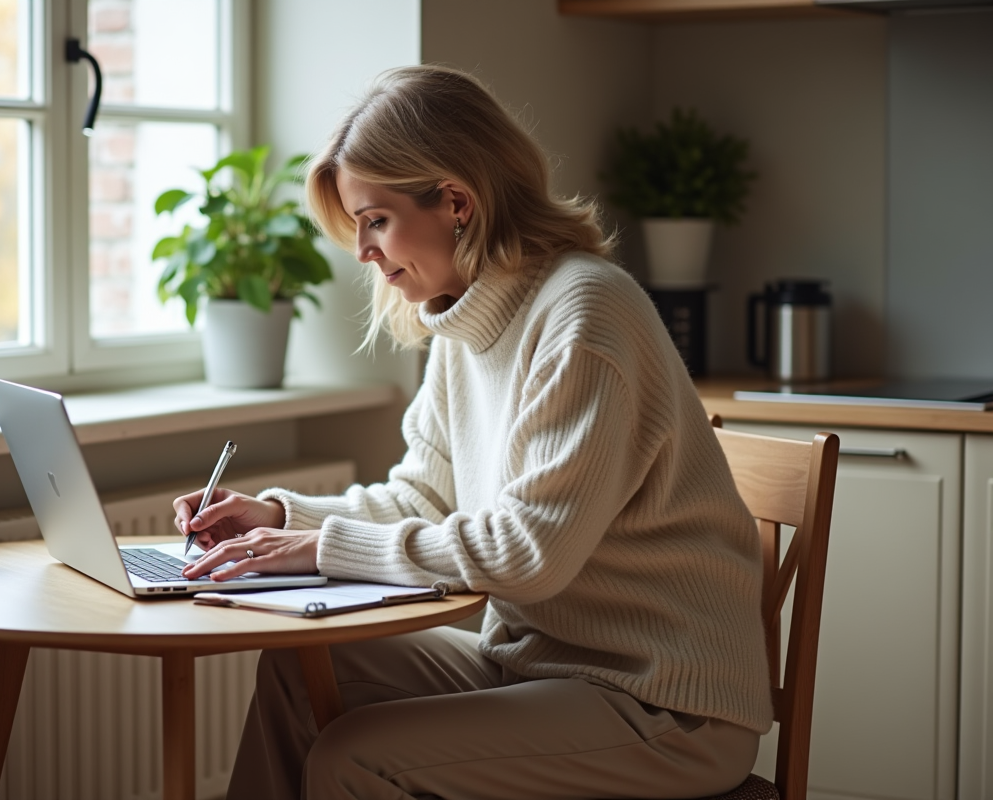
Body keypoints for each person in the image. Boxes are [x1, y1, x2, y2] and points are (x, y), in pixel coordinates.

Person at [173, 64, 771, 800]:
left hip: (664, 705)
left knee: (354, 758)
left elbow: (528, 556)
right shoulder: (465, 324)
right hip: (538, 665)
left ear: (456, 201)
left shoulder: (584, 317)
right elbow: (424, 498)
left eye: (376, 220)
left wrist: (320, 547)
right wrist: (277, 518)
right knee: (297, 672)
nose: (363, 251)